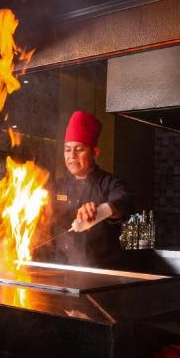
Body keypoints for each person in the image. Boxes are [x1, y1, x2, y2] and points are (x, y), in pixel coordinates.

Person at [48, 110, 133, 267]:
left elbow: (124, 201)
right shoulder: (57, 186)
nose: (72, 156)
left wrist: (102, 209)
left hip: (99, 273)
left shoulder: (110, 184)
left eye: (79, 149)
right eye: (67, 149)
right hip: (61, 269)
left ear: (95, 152)